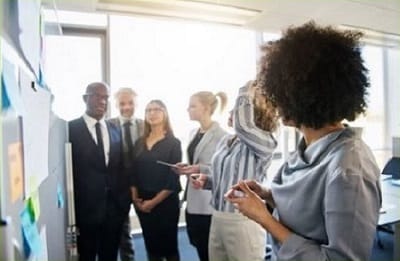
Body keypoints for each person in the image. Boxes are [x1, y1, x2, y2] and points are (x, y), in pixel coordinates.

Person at [226, 22, 382, 261]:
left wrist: (265, 219)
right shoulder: (306, 147)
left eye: (279, 94)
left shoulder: (348, 168)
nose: (275, 104)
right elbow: (310, 211)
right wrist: (268, 196)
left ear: (305, 95)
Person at [191, 82, 278, 261]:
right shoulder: (226, 141)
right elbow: (225, 178)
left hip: (244, 221)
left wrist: (245, 90)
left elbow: (244, 127)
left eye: (237, 110)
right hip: (218, 217)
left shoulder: (266, 142)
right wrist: (207, 181)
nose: (232, 113)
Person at [69, 82, 131, 261]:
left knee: (110, 255)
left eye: (106, 98)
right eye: (97, 96)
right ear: (85, 98)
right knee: (86, 255)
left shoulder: (114, 128)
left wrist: (123, 203)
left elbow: (121, 167)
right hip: (86, 210)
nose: (102, 101)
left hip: (114, 210)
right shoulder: (71, 129)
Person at [173, 91, 228, 261]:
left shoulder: (222, 136)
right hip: (193, 200)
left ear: (205, 108)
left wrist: (199, 168)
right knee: (198, 244)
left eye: (192, 106)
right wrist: (187, 167)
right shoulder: (193, 133)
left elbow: (223, 169)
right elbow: (195, 161)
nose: (188, 109)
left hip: (208, 202)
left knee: (209, 250)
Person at [130, 100, 182, 261]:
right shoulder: (139, 142)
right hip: (142, 202)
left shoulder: (174, 143)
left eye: (156, 110)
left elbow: (173, 178)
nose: (152, 113)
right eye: (148, 110)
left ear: (165, 113)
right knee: (151, 248)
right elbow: (132, 172)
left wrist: (153, 202)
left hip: (165, 203)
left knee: (169, 248)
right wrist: (135, 198)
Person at [108, 87, 144, 261]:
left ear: (136, 103)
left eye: (130, 103)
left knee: (151, 230)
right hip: (119, 188)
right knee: (122, 233)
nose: (127, 107)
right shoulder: (108, 126)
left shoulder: (146, 126)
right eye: (122, 103)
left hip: (142, 186)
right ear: (115, 105)